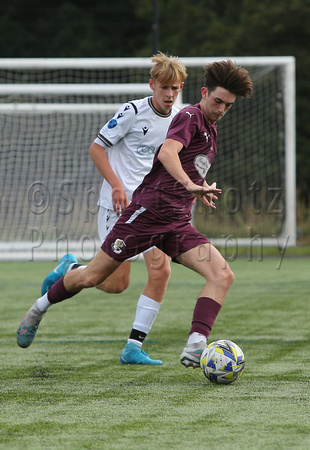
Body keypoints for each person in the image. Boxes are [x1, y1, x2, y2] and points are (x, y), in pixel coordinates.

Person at [17, 60, 253, 369]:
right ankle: (38, 309)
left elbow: (188, 165)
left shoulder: (211, 129)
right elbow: (167, 152)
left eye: (228, 105)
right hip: (145, 214)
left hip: (175, 223)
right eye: (218, 101)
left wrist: (200, 187)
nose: (221, 108)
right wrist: (186, 184)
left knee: (222, 275)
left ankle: (195, 346)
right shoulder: (190, 116)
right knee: (95, 277)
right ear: (204, 93)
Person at [37, 52, 188, 365]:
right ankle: (71, 269)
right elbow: (96, 148)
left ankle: (133, 347)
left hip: (153, 209)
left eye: (175, 88)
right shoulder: (133, 111)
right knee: (115, 284)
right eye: (164, 88)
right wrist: (117, 186)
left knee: (161, 270)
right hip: (119, 207)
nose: (170, 94)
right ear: (152, 85)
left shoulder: (181, 118)